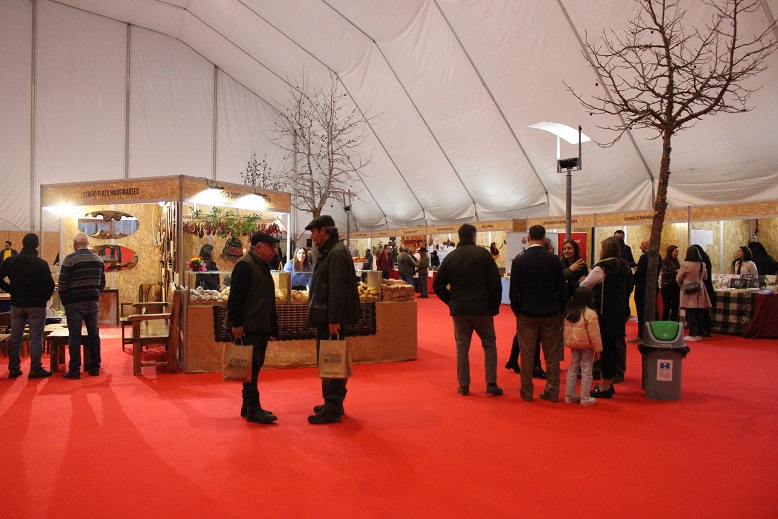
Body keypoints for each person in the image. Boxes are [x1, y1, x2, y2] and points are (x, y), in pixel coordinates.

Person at [434, 223, 503, 397]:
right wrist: (494, 306)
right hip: (483, 308)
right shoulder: (483, 254)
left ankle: (464, 385)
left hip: (460, 309)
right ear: (473, 236)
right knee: (489, 345)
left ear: (459, 237)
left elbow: (437, 285)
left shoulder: (451, 257)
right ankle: (491, 383)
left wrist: (451, 301)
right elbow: (495, 283)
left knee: (462, 348)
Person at [306, 215, 362, 424]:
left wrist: (333, 319)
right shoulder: (331, 251)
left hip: (330, 318)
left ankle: (333, 407)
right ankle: (332, 403)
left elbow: (338, 289)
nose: (312, 236)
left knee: (333, 359)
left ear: (324, 231)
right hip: (326, 316)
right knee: (328, 359)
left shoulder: (336, 252)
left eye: (314, 232)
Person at [226, 231, 281, 424]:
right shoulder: (245, 265)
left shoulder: (260, 265)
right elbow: (235, 298)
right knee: (251, 369)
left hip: (258, 324)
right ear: (258, 247)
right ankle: (253, 408)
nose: (274, 251)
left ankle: (247, 405)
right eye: (271, 247)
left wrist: (272, 326)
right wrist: (237, 324)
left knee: (253, 367)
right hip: (249, 326)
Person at [509, 225, 567, 402]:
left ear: (528, 237)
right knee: (551, 356)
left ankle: (526, 392)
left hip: (527, 314)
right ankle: (552, 392)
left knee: (527, 355)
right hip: (551, 313)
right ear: (544, 238)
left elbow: (513, 293)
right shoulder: (554, 260)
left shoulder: (519, 261)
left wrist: (519, 312)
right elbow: (562, 290)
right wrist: (560, 310)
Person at [580, 237, 633, 398]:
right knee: (615, 347)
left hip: (603, 313)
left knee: (606, 350)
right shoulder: (624, 267)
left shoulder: (602, 268)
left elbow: (584, 285)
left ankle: (606, 385)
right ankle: (610, 381)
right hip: (619, 312)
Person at [0, 233, 55, 379]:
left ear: (22, 243)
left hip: (17, 303)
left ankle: (14, 368)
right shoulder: (41, 263)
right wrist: (43, 299)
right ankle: (35, 368)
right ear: (37, 245)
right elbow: (49, 286)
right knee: (36, 337)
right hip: (36, 304)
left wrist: (10, 289)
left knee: (15, 337)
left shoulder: (11, 261)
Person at [563, 287, 602, 407]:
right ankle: (585, 397)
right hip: (587, 346)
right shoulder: (591, 314)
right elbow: (594, 334)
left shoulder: (570, 312)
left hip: (574, 345)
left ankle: (569, 395)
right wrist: (598, 349)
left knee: (572, 368)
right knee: (587, 369)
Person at [677, 246, 712, 342]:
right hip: (700, 290)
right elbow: (705, 277)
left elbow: (678, 278)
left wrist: (683, 284)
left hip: (689, 291)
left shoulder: (685, 265)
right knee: (699, 313)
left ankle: (693, 334)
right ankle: (699, 334)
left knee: (690, 313)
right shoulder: (702, 264)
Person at [629, 240, 654, 343]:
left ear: (648, 245)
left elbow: (640, 273)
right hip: (652, 289)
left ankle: (642, 334)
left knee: (641, 311)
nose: (640, 247)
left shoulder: (644, 257)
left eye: (642, 244)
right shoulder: (658, 257)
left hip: (642, 288)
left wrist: (632, 280)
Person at [692, 244, 717, 337]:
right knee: (705, 311)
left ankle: (701, 329)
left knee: (700, 311)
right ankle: (706, 329)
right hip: (708, 287)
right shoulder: (706, 261)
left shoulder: (699, 263)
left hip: (701, 288)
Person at [661, 245, 681, 321]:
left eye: (678, 251)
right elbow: (664, 274)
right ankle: (664, 322)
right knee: (667, 306)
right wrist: (675, 272)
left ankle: (674, 322)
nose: (677, 253)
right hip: (667, 287)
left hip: (676, 286)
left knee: (675, 307)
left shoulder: (676, 262)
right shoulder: (665, 261)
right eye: (675, 251)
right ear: (671, 252)